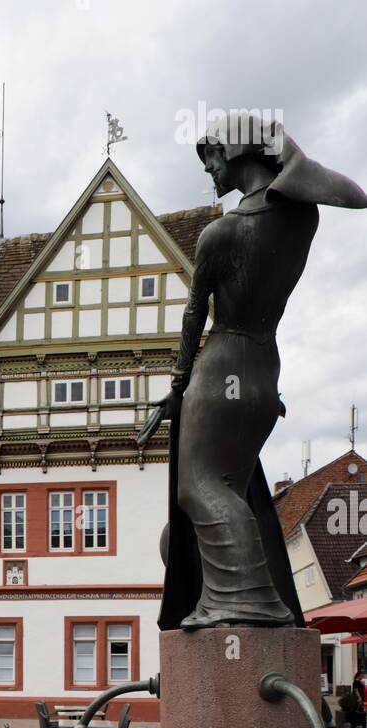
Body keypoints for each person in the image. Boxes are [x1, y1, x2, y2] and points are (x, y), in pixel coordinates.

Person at [146, 113, 367, 631]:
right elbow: (353, 192)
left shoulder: (221, 234)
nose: (211, 174)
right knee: (231, 492)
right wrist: (289, 157)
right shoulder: (301, 219)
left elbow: (195, 315)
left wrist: (178, 387)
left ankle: (243, 600)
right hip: (265, 373)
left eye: (215, 158)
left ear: (241, 152)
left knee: (198, 487)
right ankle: (230, 594)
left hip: (223, 360)